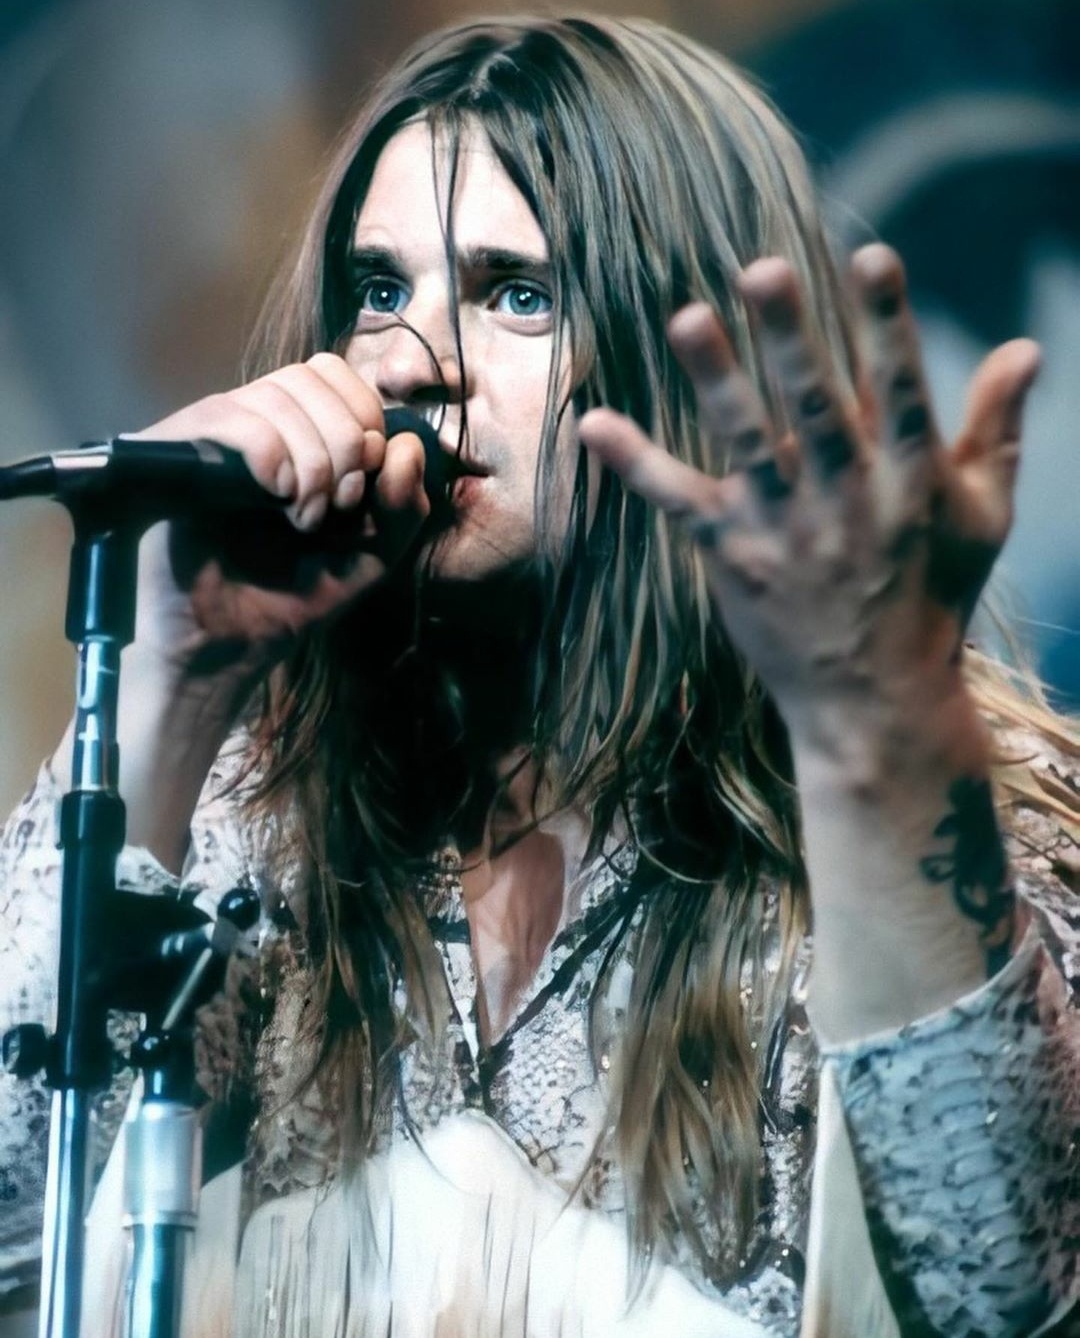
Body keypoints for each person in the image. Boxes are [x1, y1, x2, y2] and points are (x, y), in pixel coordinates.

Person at [1, 13, 1077, 1337]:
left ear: (689, 356)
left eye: (516, 292)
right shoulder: (266, 822)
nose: (413, 362)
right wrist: (174, 687)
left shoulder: (957, 812)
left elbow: (1001, 1295)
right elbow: (11, 1235)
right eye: (379, 288)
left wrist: (880, 732)